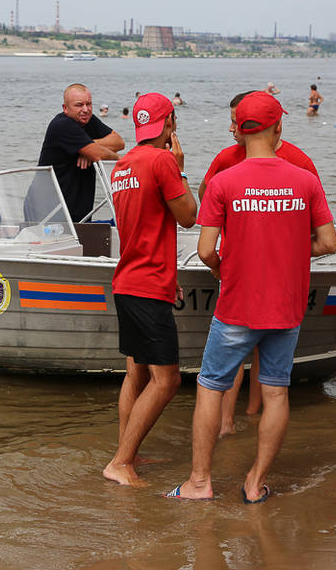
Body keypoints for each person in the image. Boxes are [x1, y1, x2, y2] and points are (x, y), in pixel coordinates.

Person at [167, 92, 336, 502]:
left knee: (211, 386)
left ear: (239, 131)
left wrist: (230, 265)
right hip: (286, 307)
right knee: (276, 391)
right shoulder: (305, 181)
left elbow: (206, 249)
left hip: (237, 306)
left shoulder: (225, 181)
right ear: (279, 127)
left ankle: (200, 483)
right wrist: (293, 248)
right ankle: (255, 483)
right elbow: (328, 243)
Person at [196, 91, 322, 435]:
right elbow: (206, 193)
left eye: (240, 122)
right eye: (235, 122)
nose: (237, 129)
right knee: (267, 373)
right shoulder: (227, 158)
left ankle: (250, 413)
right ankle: (226, 423)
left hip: (258, 278)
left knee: (244, 353)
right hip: (260, 280)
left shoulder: (300, 161)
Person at [103, 93, 197, 487]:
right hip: (147, 285)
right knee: (168, 379)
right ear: (170, 123)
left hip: (127, 280)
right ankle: (121, 462)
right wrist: (181, 169)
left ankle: (129, 451)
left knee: (136, 372)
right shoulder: (161, 161)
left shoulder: (122, 165)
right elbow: (189, 217)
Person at [33, 84, 124, 222]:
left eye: (89, 104)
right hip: (49, 212)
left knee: (120, 223)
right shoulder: (63, 125)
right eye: (79, 105)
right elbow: (99, 154)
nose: (85, 109)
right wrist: (115, 156)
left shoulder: (89, 120)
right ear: (65, 108)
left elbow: (119, 142)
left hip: (78, 213)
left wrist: (88, 146)